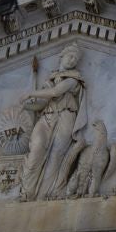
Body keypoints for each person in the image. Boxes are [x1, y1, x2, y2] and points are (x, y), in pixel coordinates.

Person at [18, 46, 88, 201]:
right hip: (47, 117)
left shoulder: (73, 80)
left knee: (55, 156)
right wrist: (26, 106)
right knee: (36, 148)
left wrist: (30, 93)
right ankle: (27, 192)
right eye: (70, 56)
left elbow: (55, 92)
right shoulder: (49, 80)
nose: (73, 60)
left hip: (65, 118)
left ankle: (46, 194)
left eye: (76, 59)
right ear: (61, 56)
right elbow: (42, 104)